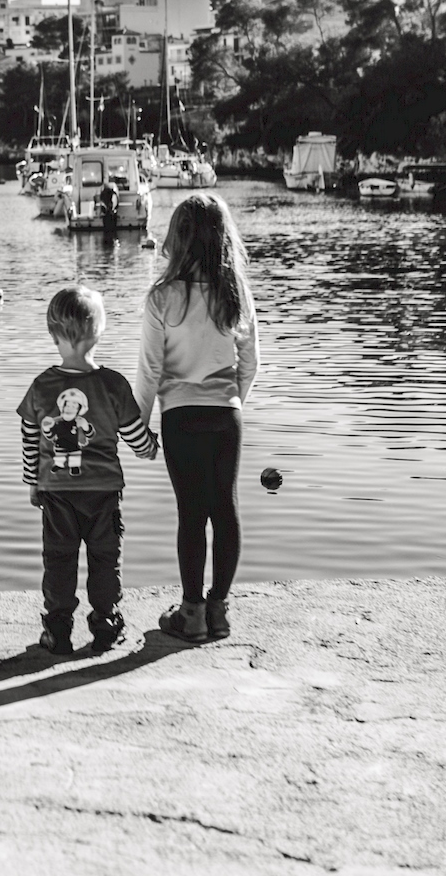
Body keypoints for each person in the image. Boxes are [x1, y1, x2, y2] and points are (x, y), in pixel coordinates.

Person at [136, 193, 260, 644]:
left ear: (177, 241)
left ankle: (191, 612)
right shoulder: (236, 295)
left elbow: (150, 370)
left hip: (180, 417)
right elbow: (251, 364)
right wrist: (232, 402)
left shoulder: (162, 298)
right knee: (225, 508)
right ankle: (219, 610)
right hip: (226, 416)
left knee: (191, 513)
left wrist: (139, 429)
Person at [17, 286, 157, 655]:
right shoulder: (113, 385)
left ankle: (58, 629)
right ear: (100, 331)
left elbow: (30, 436)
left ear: (52, 334)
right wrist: (151, 449)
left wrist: (33, 481)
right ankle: (106, 624)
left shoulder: (42, 386)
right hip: (103, 492)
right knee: (105, 558)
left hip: (56, 492)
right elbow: (134, 436)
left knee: (59, 560)